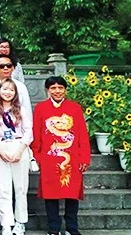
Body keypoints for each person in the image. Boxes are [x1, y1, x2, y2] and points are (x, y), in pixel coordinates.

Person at [31, 76, 90, 235]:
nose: (57, 91)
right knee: (51, 195)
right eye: (53, 88)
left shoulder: (75, 108)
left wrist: (84, 158)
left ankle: (72, 228)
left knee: (72, 195)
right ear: (47, 90)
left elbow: (82, 135)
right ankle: (54, 228)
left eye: (60, 88)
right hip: (48, 158)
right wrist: (37, 156)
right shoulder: (40, 108)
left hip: (72, 158)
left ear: (65, 89)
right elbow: (36, 134)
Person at [0, 78, 32, 235]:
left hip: (19, 146)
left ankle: (20, 222)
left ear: (15, 93)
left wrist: (20, 151)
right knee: (3, 188)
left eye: (11, 90)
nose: (7, 92)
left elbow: (28, 131)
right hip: (0, 147)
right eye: (4, 89)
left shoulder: (21, 110)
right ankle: (6, 223)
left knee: (21, 187)